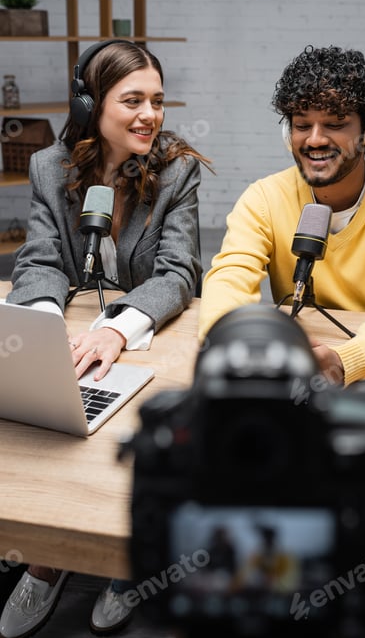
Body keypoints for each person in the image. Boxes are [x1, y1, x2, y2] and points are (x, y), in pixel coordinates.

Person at [0, 39, 212, 638]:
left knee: (139, 446)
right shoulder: (50, 166)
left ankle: (123, 564)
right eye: (134, 100)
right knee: (49, 433)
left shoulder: (177, 169)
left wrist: (119, 329)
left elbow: (179, 272)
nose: (151, 115)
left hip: (150, 338)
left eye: (159, 101)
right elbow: (39, 259)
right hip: (70, 335)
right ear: (90, 104)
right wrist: (42, 325)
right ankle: (46, 560)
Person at [198, 44, 365, 387]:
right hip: (289, 363)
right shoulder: (264, 198)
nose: (314, 140)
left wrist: (344, 360)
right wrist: (235, 347)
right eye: (302, 125)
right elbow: (228, 280)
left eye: (334, 124)